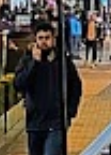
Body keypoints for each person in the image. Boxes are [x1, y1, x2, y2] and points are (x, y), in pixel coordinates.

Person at [15, 20, 83, 155]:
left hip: (56, 122)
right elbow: (19, 84)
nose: (44, 42)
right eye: (40, 38)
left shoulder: (62, 61)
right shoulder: (27, 60)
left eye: (47, 38)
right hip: (35, 122)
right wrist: (34, 63)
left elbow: (75, 85)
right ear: (35, 40)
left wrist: (70, 111)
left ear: (53, 39)